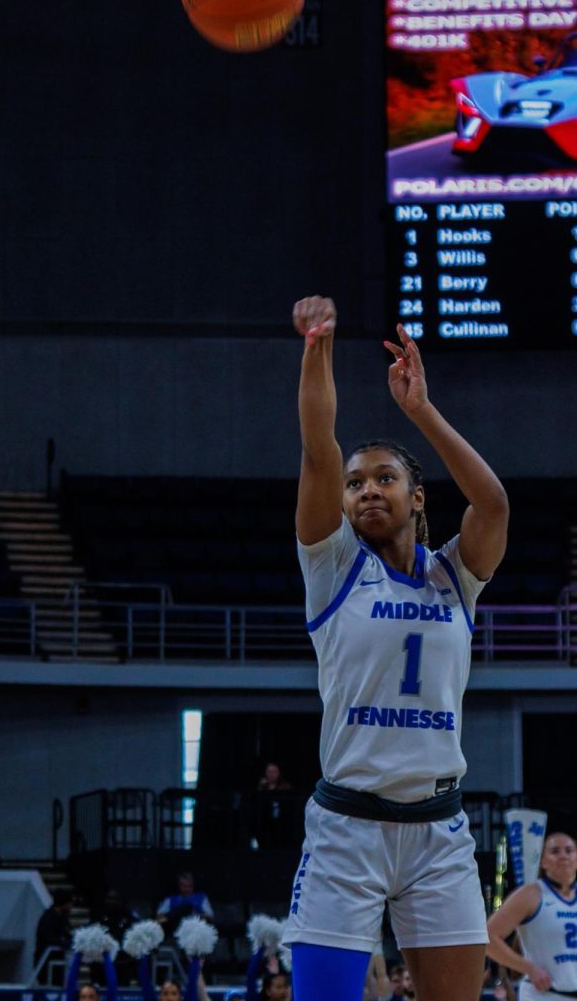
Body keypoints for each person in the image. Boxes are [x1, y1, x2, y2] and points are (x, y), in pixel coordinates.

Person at [280, 297, 509, 1001]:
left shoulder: (454, 576)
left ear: (415, 498)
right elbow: (318, 446)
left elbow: (492, 505)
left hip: (438, 830)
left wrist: (421, 412)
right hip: (348, 827)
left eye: (384, 478)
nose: (365, 490)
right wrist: (317, 346)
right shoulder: (333, 567)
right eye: (355, 484)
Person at [486, 828, 577, 1000]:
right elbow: (488, 937)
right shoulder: (530, 894)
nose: (563, 855)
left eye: (569, 850)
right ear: (543, 861)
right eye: (555, 851)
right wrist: (529, 968)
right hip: (545, 995)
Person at [156, 873, 214, 937]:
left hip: (196, 929)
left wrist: (195, 915)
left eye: (190, 886)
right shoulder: (170, 899)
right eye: (184, 886)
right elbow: (159, 917)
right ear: (179, 885)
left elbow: (210, 917)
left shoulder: (202, 897)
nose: (187, 888)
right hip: (175, 928)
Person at [34, 887, 74, 972]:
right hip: (46, 963)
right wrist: (63, 944)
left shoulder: (63, 918)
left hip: (58, 962)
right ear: (64, 903)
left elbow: (67, 934)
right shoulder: (48, 918)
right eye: (70, 903)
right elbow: (50, 939)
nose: (71, 906)